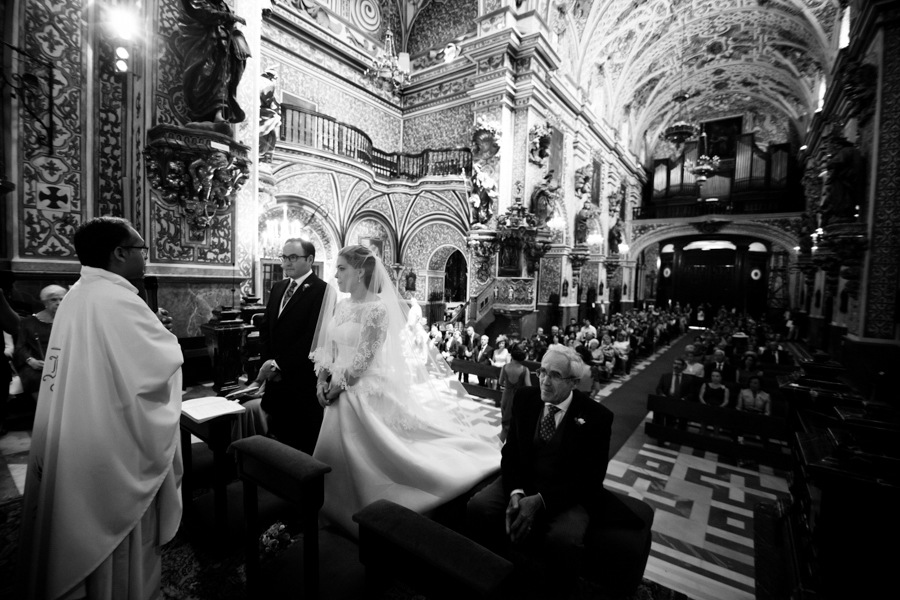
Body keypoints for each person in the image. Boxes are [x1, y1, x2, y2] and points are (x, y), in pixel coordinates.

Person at [18, 217, 184, 600]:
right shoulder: (117, 299)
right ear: (120, 253)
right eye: (142, 250)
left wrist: (149, 331)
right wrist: (163, 336)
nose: (145, 259)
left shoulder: (81, 293)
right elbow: (159, 366)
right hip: (109, 443)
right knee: (115, 523)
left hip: (81, 422)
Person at [310, 245, 500, 537]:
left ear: (360, 272)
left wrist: (337, 387)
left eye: (341, 268)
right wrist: (322, 380)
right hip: (337, 386)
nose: (335, 275)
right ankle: (332, 509)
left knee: (371, 454)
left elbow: (362, 360)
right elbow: (329, 348)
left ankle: (368, 511)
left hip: (361, 389)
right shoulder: (342, 305)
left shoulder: (377, 309)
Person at [466, 345, 617, 599]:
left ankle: (555, 591)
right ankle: (493, 573)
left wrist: (541, 501)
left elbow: (590, 478)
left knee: (564, 540)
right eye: (542, 372)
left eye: (555, 375)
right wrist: (515, 491)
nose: (545, 382)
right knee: (478, 507)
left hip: (566, 493)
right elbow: (511, 452)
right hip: (523, 479)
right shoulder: (525, 398)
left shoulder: (597, 417)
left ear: (574, 382)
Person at [254, 238, 329, 453]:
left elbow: (312, 337)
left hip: (300, 378)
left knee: (298, 440)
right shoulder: (278, 287)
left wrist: (279, 365)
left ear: (310, 260)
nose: (286, 262)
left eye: (293, 257)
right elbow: (267, 327)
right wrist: (268, 363)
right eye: (284, 257)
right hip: (274, 377)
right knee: (275, 432)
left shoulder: (322, 291)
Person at [13, 285, 67, 400]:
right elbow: (20, 347)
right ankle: (44, 413)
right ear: (45, 302)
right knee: (34, 378)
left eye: (62, 299)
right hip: (37, 364)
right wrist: (31, 361)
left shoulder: (70, 320)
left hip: (64, 362)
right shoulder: (29, 322)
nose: (58, 303)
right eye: (54, 300)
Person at [498, 345, 531, 443]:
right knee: (513, 425)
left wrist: (509, 385)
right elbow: (528, 386)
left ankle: (498, 448)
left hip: (506, 396)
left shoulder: (505, 367)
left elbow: (500, 382)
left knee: (505, 425)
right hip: (518, 398)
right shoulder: (524, 370)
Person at [698, 369, 730, 436]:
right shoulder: (705, 385)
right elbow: (701, 396)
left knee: (717, 421)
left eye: (717, 376)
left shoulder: (725, 388)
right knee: (704, 417)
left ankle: (716, 436)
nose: (714, 378)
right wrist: (705, 404)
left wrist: (719, 407)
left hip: (718, 408)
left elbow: (726, 401)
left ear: (721, 377)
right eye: (713, 376)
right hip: (706, 406)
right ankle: (701, 434)